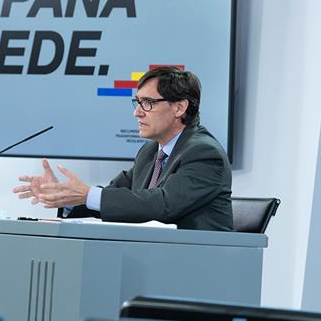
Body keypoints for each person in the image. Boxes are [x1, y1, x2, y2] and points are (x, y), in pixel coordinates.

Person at [15, 67, 233, 231]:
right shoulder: (150, 152)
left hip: (197, 267)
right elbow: (117, 196)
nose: (137, 113)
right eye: (137, 102)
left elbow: (164, 206)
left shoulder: (204, 154)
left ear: (179, 107)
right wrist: (68, 195)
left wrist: (87, 194)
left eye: (148, 103)